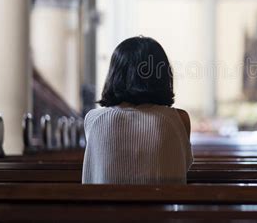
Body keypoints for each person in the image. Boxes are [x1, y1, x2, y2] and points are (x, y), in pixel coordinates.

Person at [82, 36, 193, 184]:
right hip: (164, 206)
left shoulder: (93, 119)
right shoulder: (180, 119)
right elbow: (181, 166)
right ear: (163, 75)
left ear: (115, 75)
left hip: (107, 207)